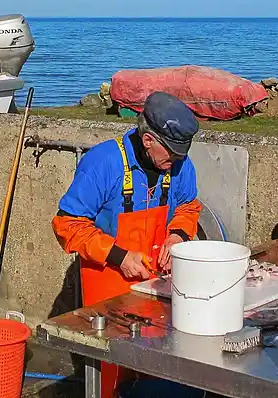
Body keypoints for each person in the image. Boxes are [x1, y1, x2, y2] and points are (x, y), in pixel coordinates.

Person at [51, 91, 204, 398]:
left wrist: (178, 236)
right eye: (171, 152)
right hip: (107, 293)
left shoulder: (180, 165)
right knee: (112, 376)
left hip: (158, 291)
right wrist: (118, 255)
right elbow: (67, 225)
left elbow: (189, 206)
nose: (176, 160)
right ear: (148, 140)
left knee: (160, 369)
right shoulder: (102, 163)